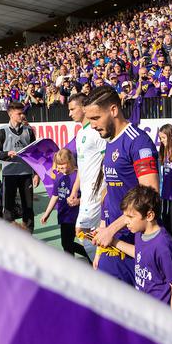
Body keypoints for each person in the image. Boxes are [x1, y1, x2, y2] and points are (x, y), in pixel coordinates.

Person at [85, 86, 159, 284]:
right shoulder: (111, 141)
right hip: (115, 238)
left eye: (95, 118)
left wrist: (112, 230)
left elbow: (150, 194)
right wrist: (104, 231)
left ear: (114, 110)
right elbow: (110, 192)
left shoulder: (139, 142)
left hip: (136, 238)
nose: (91, 125)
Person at [110, 185, 172, 310]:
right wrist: (113, 241)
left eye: (130, 217)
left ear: (149, 215)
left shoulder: (163, 246)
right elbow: (139, 253)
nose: (126, 221)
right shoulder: (140, 232)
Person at [66, 94, 106, 258]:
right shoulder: (81, 134)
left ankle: (101, 267)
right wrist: (75, 190)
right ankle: (102, 265)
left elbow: (106, 161)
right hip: (87, 192)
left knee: (82, 231)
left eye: (72, 109)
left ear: (83, 108)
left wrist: (105, 190)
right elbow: (82, 167)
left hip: (97, 193)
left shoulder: (96, 131)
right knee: (92, 234)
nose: (70, 113)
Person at [0, 102, 38, 233]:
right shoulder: (2, 131)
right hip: (9, 175)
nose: (22, 115)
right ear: (10, 114)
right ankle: (9, 235)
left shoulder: (28, 131)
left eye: (23, 112)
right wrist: (6, 154)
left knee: (28, 207)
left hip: (26, 175)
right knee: (8, 207)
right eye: (19, 113)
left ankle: (28, 234)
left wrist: (36, 173)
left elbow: (34, 154)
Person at [40, 149, 90, 262]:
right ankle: (72, 265)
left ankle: (91, 256)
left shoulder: (79, 176)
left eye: (63, 164)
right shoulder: (59, 177)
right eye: (59, 165)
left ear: (71, 161)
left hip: (79, 217)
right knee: (66, 244)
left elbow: (90, 197)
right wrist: (47, 213)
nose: (61, 168)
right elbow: (55, 196)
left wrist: (78, 201)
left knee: (87, 243)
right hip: (65, 217)